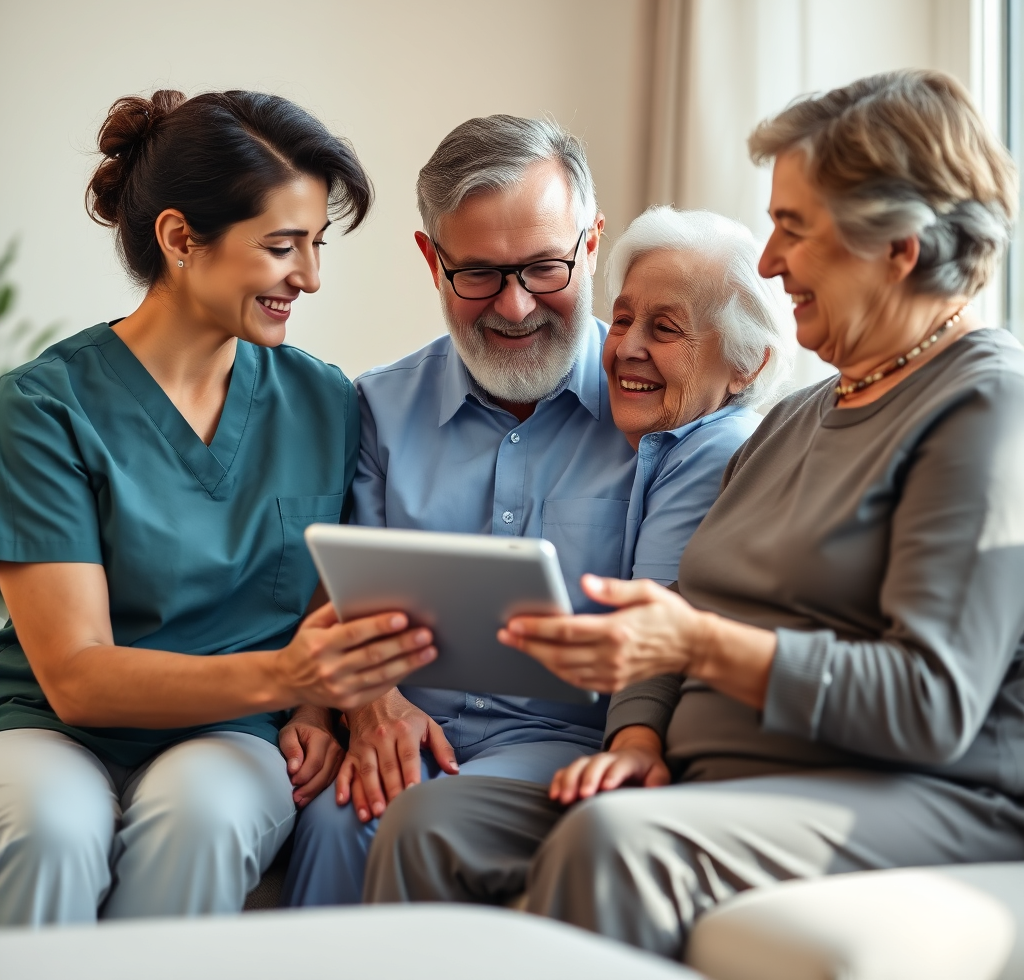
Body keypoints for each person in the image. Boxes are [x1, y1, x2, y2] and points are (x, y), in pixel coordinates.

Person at [362, 69, 1024, 963]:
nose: (769, 260)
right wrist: (637, 733)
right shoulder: (796, 415)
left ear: (897, 246)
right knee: (432, 821)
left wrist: (698, 647)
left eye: (793, 228)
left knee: (613, 846)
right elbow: (681, 612)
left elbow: (932, 703)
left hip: (908, 788)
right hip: (724, 774)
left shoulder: (986, 407)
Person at [281, 120, 789, 907]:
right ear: (432, 261)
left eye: (545, 267)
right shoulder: (379, 405)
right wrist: (374, 706)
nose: (515, 306)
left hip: (563, 740)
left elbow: (662, 631)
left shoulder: (666, 415)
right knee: (339, 819)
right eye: (478, 274)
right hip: (417, 723)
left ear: (591, 244)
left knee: (413, 817)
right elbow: (351, 595)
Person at [0, 89, 439, 925]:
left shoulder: (324, 399)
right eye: (282, 246)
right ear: (179, 239)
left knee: (201, 817)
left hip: (232, 733)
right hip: (54, 728)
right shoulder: (42, 408)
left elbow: (323, 587)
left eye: (316, 246)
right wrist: (290, 677)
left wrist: (310, 708)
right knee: (50, 826)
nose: (308, 277)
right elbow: (79, 679)